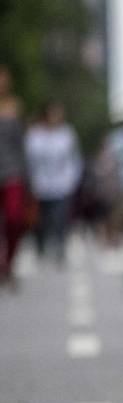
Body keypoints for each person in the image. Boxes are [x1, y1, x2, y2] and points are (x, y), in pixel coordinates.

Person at [25, 100, 82, 266]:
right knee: (41, 219)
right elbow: (30, 160)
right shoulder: (35, 135)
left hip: (62, 185)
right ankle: (40, 246)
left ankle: (60, 248)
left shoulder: (67, 134)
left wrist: (72, 180)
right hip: (39, 184)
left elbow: (74, 158)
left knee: (60, 217)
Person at [0, 64, 28, 288]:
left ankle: (8, 263)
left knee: (14, 219)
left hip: (12, 172)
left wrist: (27, 176)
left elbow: (21, 145)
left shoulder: (14, 107)